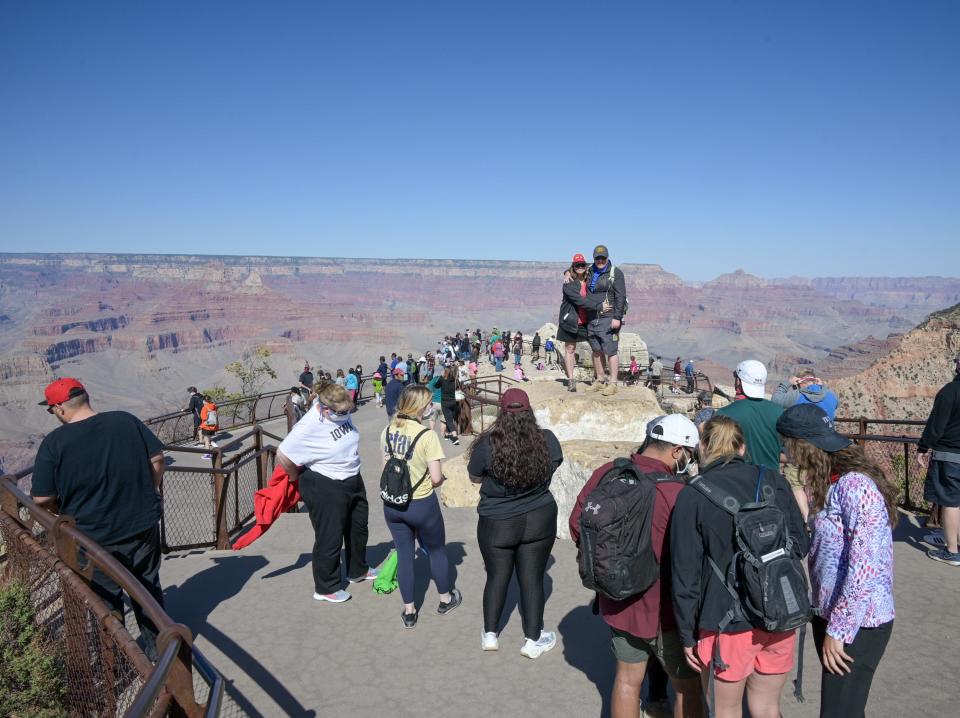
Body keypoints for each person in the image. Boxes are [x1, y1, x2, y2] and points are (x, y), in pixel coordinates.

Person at [670, 415, 808, 718]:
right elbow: (800, 546)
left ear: (703, 447)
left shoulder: (693, 494)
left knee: (726, 710)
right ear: (742, 447)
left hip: (726, 622)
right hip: (779, 612)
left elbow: (685, 575)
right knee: (767, 708)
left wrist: (686, 635)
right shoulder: (774, 480)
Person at [570, 415, 705, 718]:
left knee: (628, 681)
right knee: (687, 687)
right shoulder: (678, 492)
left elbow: (577, 526)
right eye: (688, 453)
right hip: (666, 612)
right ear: (676, 451)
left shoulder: (607, 474)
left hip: (618, 602)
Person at [32, 378, 167, 660]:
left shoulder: (54, 443)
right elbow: (157, 460)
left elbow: (41, 499)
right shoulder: (125, 421)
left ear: (59, 409)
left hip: (92, 539)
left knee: (106, 603)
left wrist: (62, 513)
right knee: (147, 589)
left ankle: (116, 662)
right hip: (141, 525)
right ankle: (161, 655)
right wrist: (149, 491)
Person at [776, 404, 896, 717]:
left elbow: (864, 569)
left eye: (787, 444)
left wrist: (839, 631)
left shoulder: (856, 486)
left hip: (860, 623)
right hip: (829, 613)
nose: (785, 452)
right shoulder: (827, 481)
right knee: (847, 709)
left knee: (838, 712)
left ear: (804, 446)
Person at [468, 388, 562, 658]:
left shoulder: (487, 444)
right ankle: (533, 640)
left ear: (502, 412)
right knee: (532, 579)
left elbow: (475, 477)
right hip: (539, 518)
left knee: (497, 576)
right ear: (529, 412)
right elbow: (553, 465)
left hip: (497, 521)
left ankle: (490, 635)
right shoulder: (547, 440)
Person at [277, 383, 377, 603]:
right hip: (324, 483)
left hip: (351, 477)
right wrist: (295, 478)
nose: (346, 415)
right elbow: (283, 454)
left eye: (348, 411)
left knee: (358, 527)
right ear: (324, 409)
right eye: (341, 412)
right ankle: (326, 587)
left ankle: (357, 570)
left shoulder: (339, 413)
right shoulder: (308, 426)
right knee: (330, 536)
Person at [380, 386, 462, 627]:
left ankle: (409, 611)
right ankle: (446, 599)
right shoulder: (427, 436)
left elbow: (387, 468)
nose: (430, 408)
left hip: (393, 505)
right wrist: (443, 479)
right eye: (427, 404)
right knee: (436, 551)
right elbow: (436, 478)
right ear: (418, 407)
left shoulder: (386, 431)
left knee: (404, 555)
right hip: (422, 503)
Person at [919, 353, 960, 565]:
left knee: (951, 502)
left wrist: (923, 447)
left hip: (951, 456)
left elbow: (936, 425)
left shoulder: (950, 392)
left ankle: (952, 551)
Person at [716, 360, 784, 471]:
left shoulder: (724, 414)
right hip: (771, 482)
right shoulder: (779, 412)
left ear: (738, 381)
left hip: (738, 481)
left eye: (735, 376)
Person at [558, 253, 604, 393]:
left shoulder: (590, 279)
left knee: (597, 348)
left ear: (586, 266)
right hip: (571, 321)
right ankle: (571, 379)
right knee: (570, 349)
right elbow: (580, 301)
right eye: (577, 265)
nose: (580, 267)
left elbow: (603, 265)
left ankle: (600, 378)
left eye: (582, 265)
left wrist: (566, 271)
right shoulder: (569, 283)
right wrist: (599, 307)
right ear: (573, 266)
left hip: (587, 321)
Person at [585, 245, 627, 395]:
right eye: (598, 258)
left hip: (608, 318)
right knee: (596, 350)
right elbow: (574, 270)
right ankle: (600, 380)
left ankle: (613, 383)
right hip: (592, 317)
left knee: (611, 350)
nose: (600, 260)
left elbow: (621, 296)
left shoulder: (615, 273)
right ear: (594, 258)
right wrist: (566, 273)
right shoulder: (589, 271)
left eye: (603, 258)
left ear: (608, 257)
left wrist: (617, 318)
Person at [771, 370, 839, 419]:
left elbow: (775, 399)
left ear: (800, 383)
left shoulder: (797, 396)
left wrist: (788, 382)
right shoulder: (832, 395)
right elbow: (836, 405)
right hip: (827, 436)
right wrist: (822, 387)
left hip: (803, 438)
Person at [440, 365, 461, 445]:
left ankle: (455, 438)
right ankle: (447, 434)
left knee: (449, 420)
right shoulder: (456, 380)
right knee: (450, 419)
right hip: (454, 403)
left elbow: (436, 385)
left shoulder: (442, 379)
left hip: (445, 403)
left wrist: (442, 376)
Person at [199, 395, 219, 459]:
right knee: (209, 439)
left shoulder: (205, 408)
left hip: (206, 426)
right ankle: (212, 450)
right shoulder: (214, 406)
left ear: (204, 401)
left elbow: (203, 417)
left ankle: (207, 454)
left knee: (207, 440)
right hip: (213, 425)